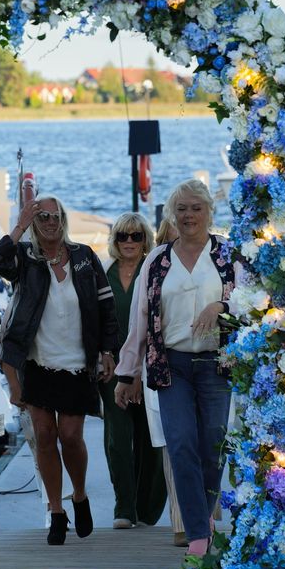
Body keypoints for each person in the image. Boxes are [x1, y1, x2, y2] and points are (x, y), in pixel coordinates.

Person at [0, 194, 118, 546]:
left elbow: (106, 309)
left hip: (77, 364)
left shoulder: (84, 257)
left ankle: (79, 495)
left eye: (54, 215)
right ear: (33, 221)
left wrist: (107, 351)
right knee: (45, 437)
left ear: (63, 219)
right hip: (37, 363)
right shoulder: (25, 260)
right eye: (41, 216)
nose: (49, 222)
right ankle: (57, 512)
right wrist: (18, 224)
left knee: (71, 437)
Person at [114, 178, 234, 558]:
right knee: (180, 445)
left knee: (212, 448)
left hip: (217, 364)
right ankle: (198, 535)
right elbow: (140, 320)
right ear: (172, 215)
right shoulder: (157, 259)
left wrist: (222, 308)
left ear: (208, 212)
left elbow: (252, 302)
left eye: (196, 208)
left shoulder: (227, 255)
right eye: (181, 209)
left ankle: (204, 517)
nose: (188, 215)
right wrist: (127, 372)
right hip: (171, 366)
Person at [100, 212, 167, 529]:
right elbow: (91, 318)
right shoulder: (103, 272)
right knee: (117, 437)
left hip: (149, 363)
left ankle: (147, 509)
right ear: (114, 240)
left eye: (136, 236)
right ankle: (124, 507)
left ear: (146, 240)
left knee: (149, 436)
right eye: (122, 236)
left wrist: (142, 368)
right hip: (110, 365)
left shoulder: (154, 271)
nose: (129, 242)